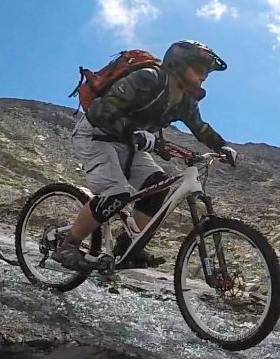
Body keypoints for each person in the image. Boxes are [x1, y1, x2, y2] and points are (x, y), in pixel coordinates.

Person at [55, 40, 238, 271]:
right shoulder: (148, 78)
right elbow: (101, 111)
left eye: (206, 74)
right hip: (96, 133)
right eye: (200, 70)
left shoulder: (184, 102)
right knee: (116, 194)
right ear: (179, 63)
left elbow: (200, 128)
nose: (203, 77)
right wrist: (134, 133)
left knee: (158, 185)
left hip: (129, 142)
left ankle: (127, 245)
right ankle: (67, 245)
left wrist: (221, 146)